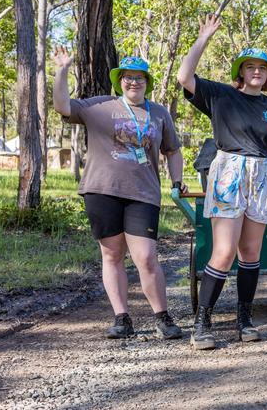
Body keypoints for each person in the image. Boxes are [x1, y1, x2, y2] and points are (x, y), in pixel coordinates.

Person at [52, 50, 184, 340]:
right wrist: (62, 70)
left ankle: (162, 317)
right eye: (128, 77)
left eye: (139, 77)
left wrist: (177, 180)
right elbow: (62, 106)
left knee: (146, 257)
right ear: (119, 81)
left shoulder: (158, 113)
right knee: (112, 255)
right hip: (102, 190)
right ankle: (121, 318)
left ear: (147, 81)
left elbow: (173, 150)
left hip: (143, 193)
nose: (133, 82)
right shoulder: (99, 106)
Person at [177, 15, 267, 350]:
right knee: (224, 251)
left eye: (262, 67)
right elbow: (184, 77)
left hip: (262, 175)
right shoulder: (221, 95)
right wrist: (203, 38)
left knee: (251, 251)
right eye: (250, 66)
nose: (256, 71)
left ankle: (245, 318)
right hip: (228, 173)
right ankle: (202, 323)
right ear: (241, 71)